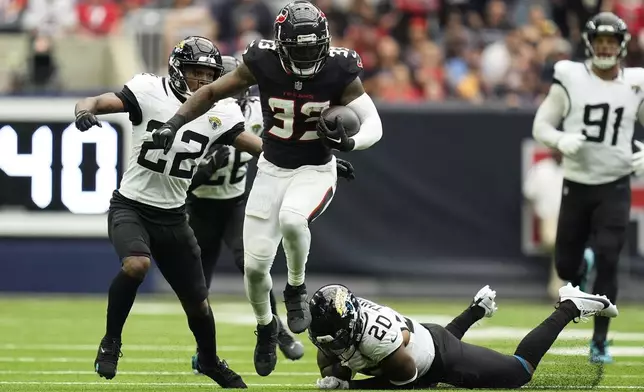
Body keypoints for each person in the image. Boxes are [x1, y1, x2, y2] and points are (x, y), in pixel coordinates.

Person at [151, 0, 378, 377]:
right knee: (255, 270)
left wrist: (350, 144)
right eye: (298, 48)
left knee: (292, 220)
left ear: (324, 43)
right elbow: (209, 94)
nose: (306, 56)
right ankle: (266, 327)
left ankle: (296, 289)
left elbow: (374, 122)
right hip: (272, 169)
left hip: (315, 168)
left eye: (311, 48)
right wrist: (175, 122)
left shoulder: (341, 68)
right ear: (281, 44)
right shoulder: (263, 61)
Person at [73, 36, 267, 388]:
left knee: (199, 306)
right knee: (136, 264)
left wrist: (310, 164)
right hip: (131, 205)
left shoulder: (222, 110)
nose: (203, 81)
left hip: (175, 216)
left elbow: (258, 148)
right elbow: (96, 100)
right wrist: (84, 111)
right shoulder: (149, 91)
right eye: (196, 72)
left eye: (209, 74)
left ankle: (208, 359)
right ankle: (111, 341)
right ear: (178, 69)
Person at [532, 11, 644, 363]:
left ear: (622, 45)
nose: (606, 47)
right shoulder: (571, 76)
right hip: (577, 184)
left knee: (610, 257)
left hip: (615, 183)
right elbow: (541, 125)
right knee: (566, 268)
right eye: (600, 41)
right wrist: (560, 138)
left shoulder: (636, 83)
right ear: (589, 44)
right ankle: (584, 262)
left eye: (611, 41)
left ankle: (599, 341)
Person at [186, 55, 305, 369]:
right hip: (198, 206)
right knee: (197, 287)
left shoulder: (257, 110)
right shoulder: (195, 112)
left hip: (235, 203)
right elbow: (178, 174)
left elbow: (283, 148)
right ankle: (205, 354)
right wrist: (206, 168)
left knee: (252, 264)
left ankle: (275, 329)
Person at [309, 283, 617, 390]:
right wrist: (338, 371)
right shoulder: (342, 323)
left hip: (440, 358)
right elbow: (336, 355)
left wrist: (350, 386)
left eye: (337, 337)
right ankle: (476, 310)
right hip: (424, 336)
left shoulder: (376, 338)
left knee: (520, 371)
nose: (333, 344)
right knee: (329, 360)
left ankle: (569, 305)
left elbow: (407, 379)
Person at [523, 149, 595, 300]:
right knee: (555, 244)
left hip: (569, 217)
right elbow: (529, 193)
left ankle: (558, 289)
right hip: (548, 217)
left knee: (562, 249)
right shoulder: (541, 169)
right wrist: (537, 211)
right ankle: (570, 278)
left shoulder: (573, 170)